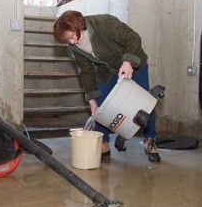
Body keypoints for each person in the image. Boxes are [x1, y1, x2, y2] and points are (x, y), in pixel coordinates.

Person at [53, 10, 161, 163]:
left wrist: (128, 61)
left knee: (145, 104)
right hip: (108, 71)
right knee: (100, 104)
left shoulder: (104, 23)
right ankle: (102, 141)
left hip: (133, 64)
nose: (71, 42)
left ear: (79, 27)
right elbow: (86, 70)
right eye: (67, 40)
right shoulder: (74, 47)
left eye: (72, 37)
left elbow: (133, 38)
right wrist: (91, 98)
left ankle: (150, 140)